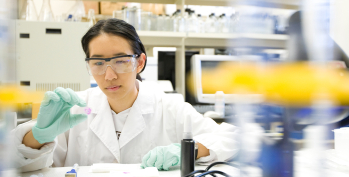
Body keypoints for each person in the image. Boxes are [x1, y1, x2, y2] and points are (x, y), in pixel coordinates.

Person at [13, 18, 238, 172]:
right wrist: (39, 135)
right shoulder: (76, 107)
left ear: (140, 62)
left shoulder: (169, 107)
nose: (109, 75)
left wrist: (191, 149)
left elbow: (234, 138)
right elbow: (15, 163)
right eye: (98, 63)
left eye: (121, 61)